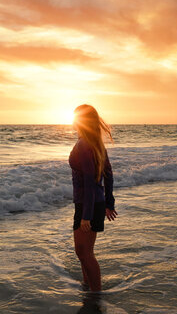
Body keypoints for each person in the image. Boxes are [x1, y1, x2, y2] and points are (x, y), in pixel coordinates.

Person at [69, 104, 117, 292]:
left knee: (84, 252)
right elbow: (109, 175)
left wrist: (86, 215)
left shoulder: (84, 144)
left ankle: (96, 294)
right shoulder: (95, 143)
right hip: (93, 203)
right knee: (84, 252)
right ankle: (88, 288)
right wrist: (108, 203)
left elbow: (90, 182)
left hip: (87, 205)